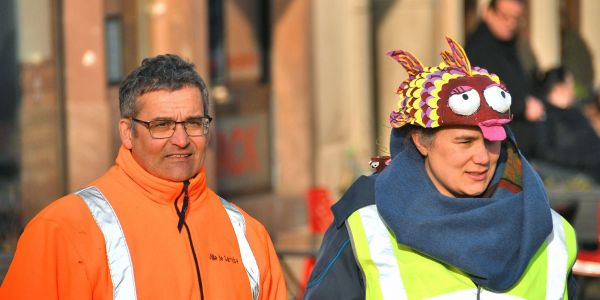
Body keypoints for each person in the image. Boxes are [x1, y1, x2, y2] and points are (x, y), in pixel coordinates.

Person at [303, 37, 577, 299]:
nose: (483, 157)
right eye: (465, 141)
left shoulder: (550, 230)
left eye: (493, 142)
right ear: (421, 141)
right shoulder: (366, 225)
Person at [0, 54, 286, 299]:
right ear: (127, 132)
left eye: (194, 123)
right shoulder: (61, 230)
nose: (181, 139)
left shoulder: (248, 235)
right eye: (161, 125)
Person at [466, 0, 545, 157]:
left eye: (516, 18)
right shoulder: (479, 47)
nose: (510, 23)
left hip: (520, 132)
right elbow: (481, 95)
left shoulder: (512, 43)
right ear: (488, 13)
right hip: (499, 142)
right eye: (505, 17)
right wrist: (522, 106)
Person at [533, 66, 600, 183]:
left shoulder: (575, 111)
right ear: (558, 86)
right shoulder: (545, 114)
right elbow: (546, 152)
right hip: (575, 173)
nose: (573, 90)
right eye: (570, 84)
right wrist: (585, 159)